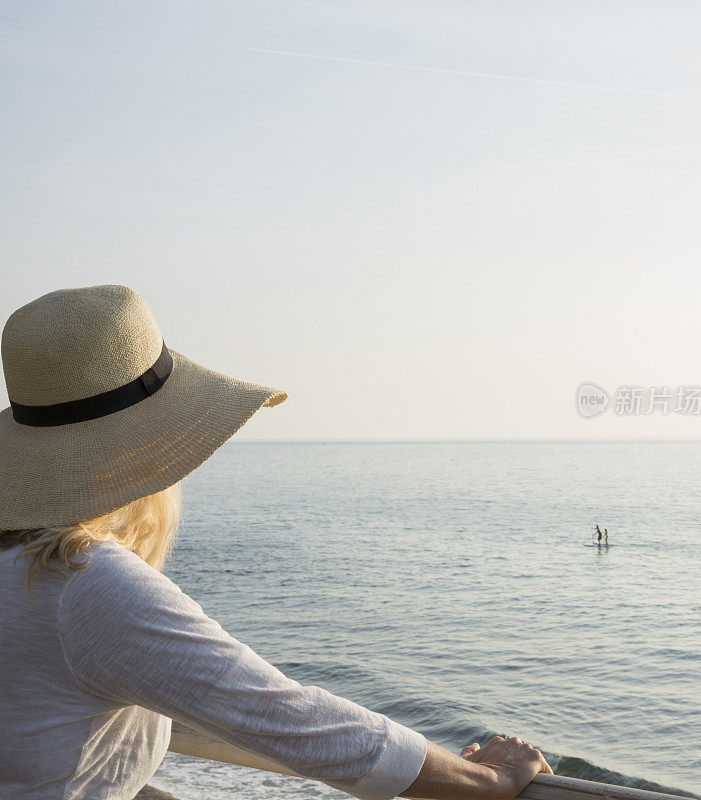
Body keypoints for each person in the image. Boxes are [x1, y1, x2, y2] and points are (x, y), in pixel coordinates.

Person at [0, 285, 552, 800]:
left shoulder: (19, 564)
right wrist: (484, 778)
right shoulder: (83, 585)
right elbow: (289, 718)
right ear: (148, 453)